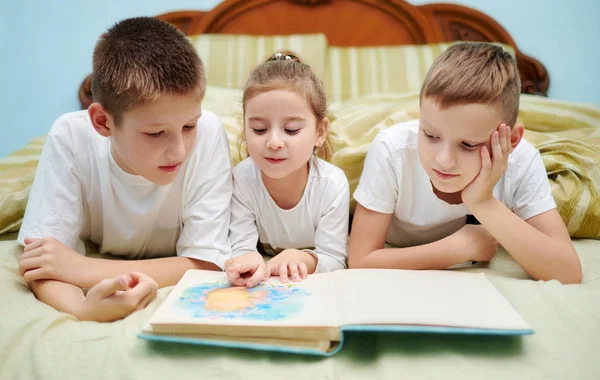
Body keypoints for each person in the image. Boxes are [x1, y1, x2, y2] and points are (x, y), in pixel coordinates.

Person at [17, 17, 233, 321]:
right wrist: (81, 308)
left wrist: (82, 268)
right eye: (155, 133)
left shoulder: (209, 132)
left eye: (188, 126)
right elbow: (42, 261)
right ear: (103, 122)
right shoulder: (70, 136)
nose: (179, 151)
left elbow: (207, 263)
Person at [348, 42, 581, 284]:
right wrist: (458, 248)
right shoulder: (392, 150)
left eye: (468, 145)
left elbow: (568, 273)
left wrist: (483, 203)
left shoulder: (521, 162)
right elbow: (360, 259)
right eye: (430, 135)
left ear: (510, 140)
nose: (444, 160)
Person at [225, 52, 349, 288]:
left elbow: (334, 258)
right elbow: (239, 246)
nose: (273, 142)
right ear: (245, 127)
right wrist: (248, 258)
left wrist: (303, 258)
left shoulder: (332, 184)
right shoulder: (241, 179)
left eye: (291, 130)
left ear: (320, 132)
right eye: (259, 129)